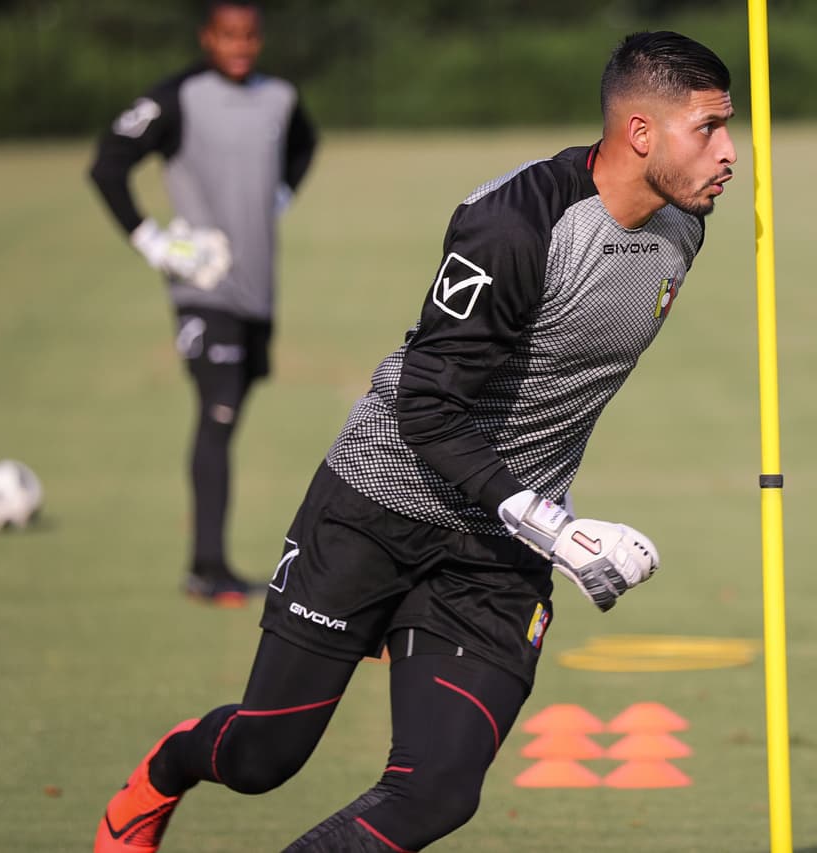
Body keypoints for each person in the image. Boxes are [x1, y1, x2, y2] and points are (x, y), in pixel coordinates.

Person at [94, 30, 735, 853]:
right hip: (376, 507)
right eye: (708, 128)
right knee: (263, 757)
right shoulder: (513, 225)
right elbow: (426, 406)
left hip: (495, 550)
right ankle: (163, 770)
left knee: (436, 791)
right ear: (641, 132)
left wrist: (543, 510)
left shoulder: (684, 228)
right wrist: (552, 524)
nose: (729, 153)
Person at [88, 0, 318, 605]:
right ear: (207, 38)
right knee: (217, 414)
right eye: (227, 35)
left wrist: (278, 197)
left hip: (257, 290)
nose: (239, 46)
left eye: (249, 36)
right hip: (204, 290)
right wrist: (153, 241)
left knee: (231, 413)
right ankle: (207, 568)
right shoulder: (177, 97)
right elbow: (107, 165)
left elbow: (305, 144)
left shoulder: (279, 98)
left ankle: (209, 565)